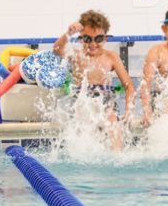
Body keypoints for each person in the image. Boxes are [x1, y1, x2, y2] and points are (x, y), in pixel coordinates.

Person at [53, 10, 134, 148]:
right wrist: (68, 34)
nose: (93, 44)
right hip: (82, 101)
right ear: (80, 38)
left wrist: (128, 109)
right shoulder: (77, 56)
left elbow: (128, 86)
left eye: (98, 39)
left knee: (112, 122)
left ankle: (117, 156)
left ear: (105, 38)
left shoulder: (111, 57)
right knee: (82, 139)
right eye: (87, 39)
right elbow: (57, 49)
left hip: (106, 100)